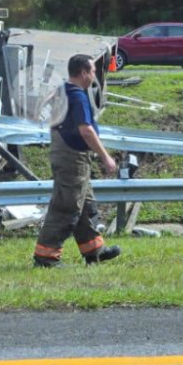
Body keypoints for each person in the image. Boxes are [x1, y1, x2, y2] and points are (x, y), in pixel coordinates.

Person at [33, 54, 122, 267]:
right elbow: (87, 131)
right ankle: (46, 256)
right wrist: (106, 157)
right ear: (83, 73)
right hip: (72, 157)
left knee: (85, 205)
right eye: (92, 71)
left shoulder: (64, 90)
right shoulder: (78, 96)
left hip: (67, 154)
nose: (94, 75)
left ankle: (94, 250)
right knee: (67, 206)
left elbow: (44, 104)